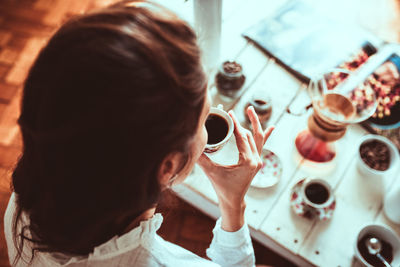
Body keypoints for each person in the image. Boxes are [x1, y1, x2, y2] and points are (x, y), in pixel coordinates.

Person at [4, 1, 274, 266]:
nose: (212, 114)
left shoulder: (22, 204)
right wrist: (233, 203)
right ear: (167, 167)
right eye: (204, 118)